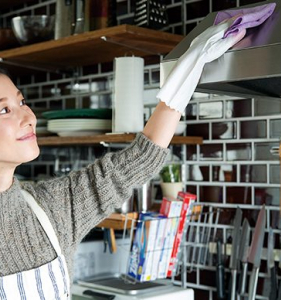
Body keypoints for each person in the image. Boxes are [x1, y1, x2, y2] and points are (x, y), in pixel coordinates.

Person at [0, 69, 181, 299]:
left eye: (22, 102)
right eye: (4, 110)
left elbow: (138, 161)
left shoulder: (51, 207)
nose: (29, 117)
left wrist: (190, 69)